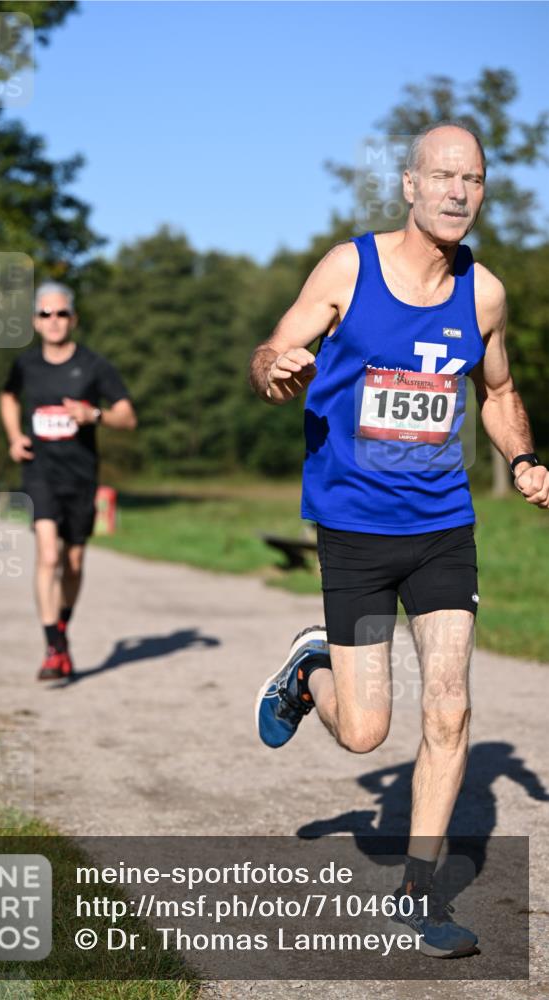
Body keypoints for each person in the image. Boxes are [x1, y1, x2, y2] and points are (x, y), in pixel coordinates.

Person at [249, 122, 548, 958]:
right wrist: (276, 367)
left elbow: (497, 389)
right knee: (366, 732)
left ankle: (417, 894)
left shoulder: (482, 293)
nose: (458, 191)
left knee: (449, 705)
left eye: (475, 179)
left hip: (442, 525)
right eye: (443, 176)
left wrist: (522, 457)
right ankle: (313, 667)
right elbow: (274, 350)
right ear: (409, 185)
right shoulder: (349, 267)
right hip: (351, 529)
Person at [0, 281, 137, 681]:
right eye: (45, 314)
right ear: (35, 322)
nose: (54, 320)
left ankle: (60, 629)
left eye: (61, 313)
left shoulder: (94, 366)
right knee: (47, 555)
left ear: (73, 319)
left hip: (81, 477)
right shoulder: (26, 366)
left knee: (73, 563)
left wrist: (95, 416)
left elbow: (127, 416)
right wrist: (14, 437)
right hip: (40, 472)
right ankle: (54, 648)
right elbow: (7, 397)